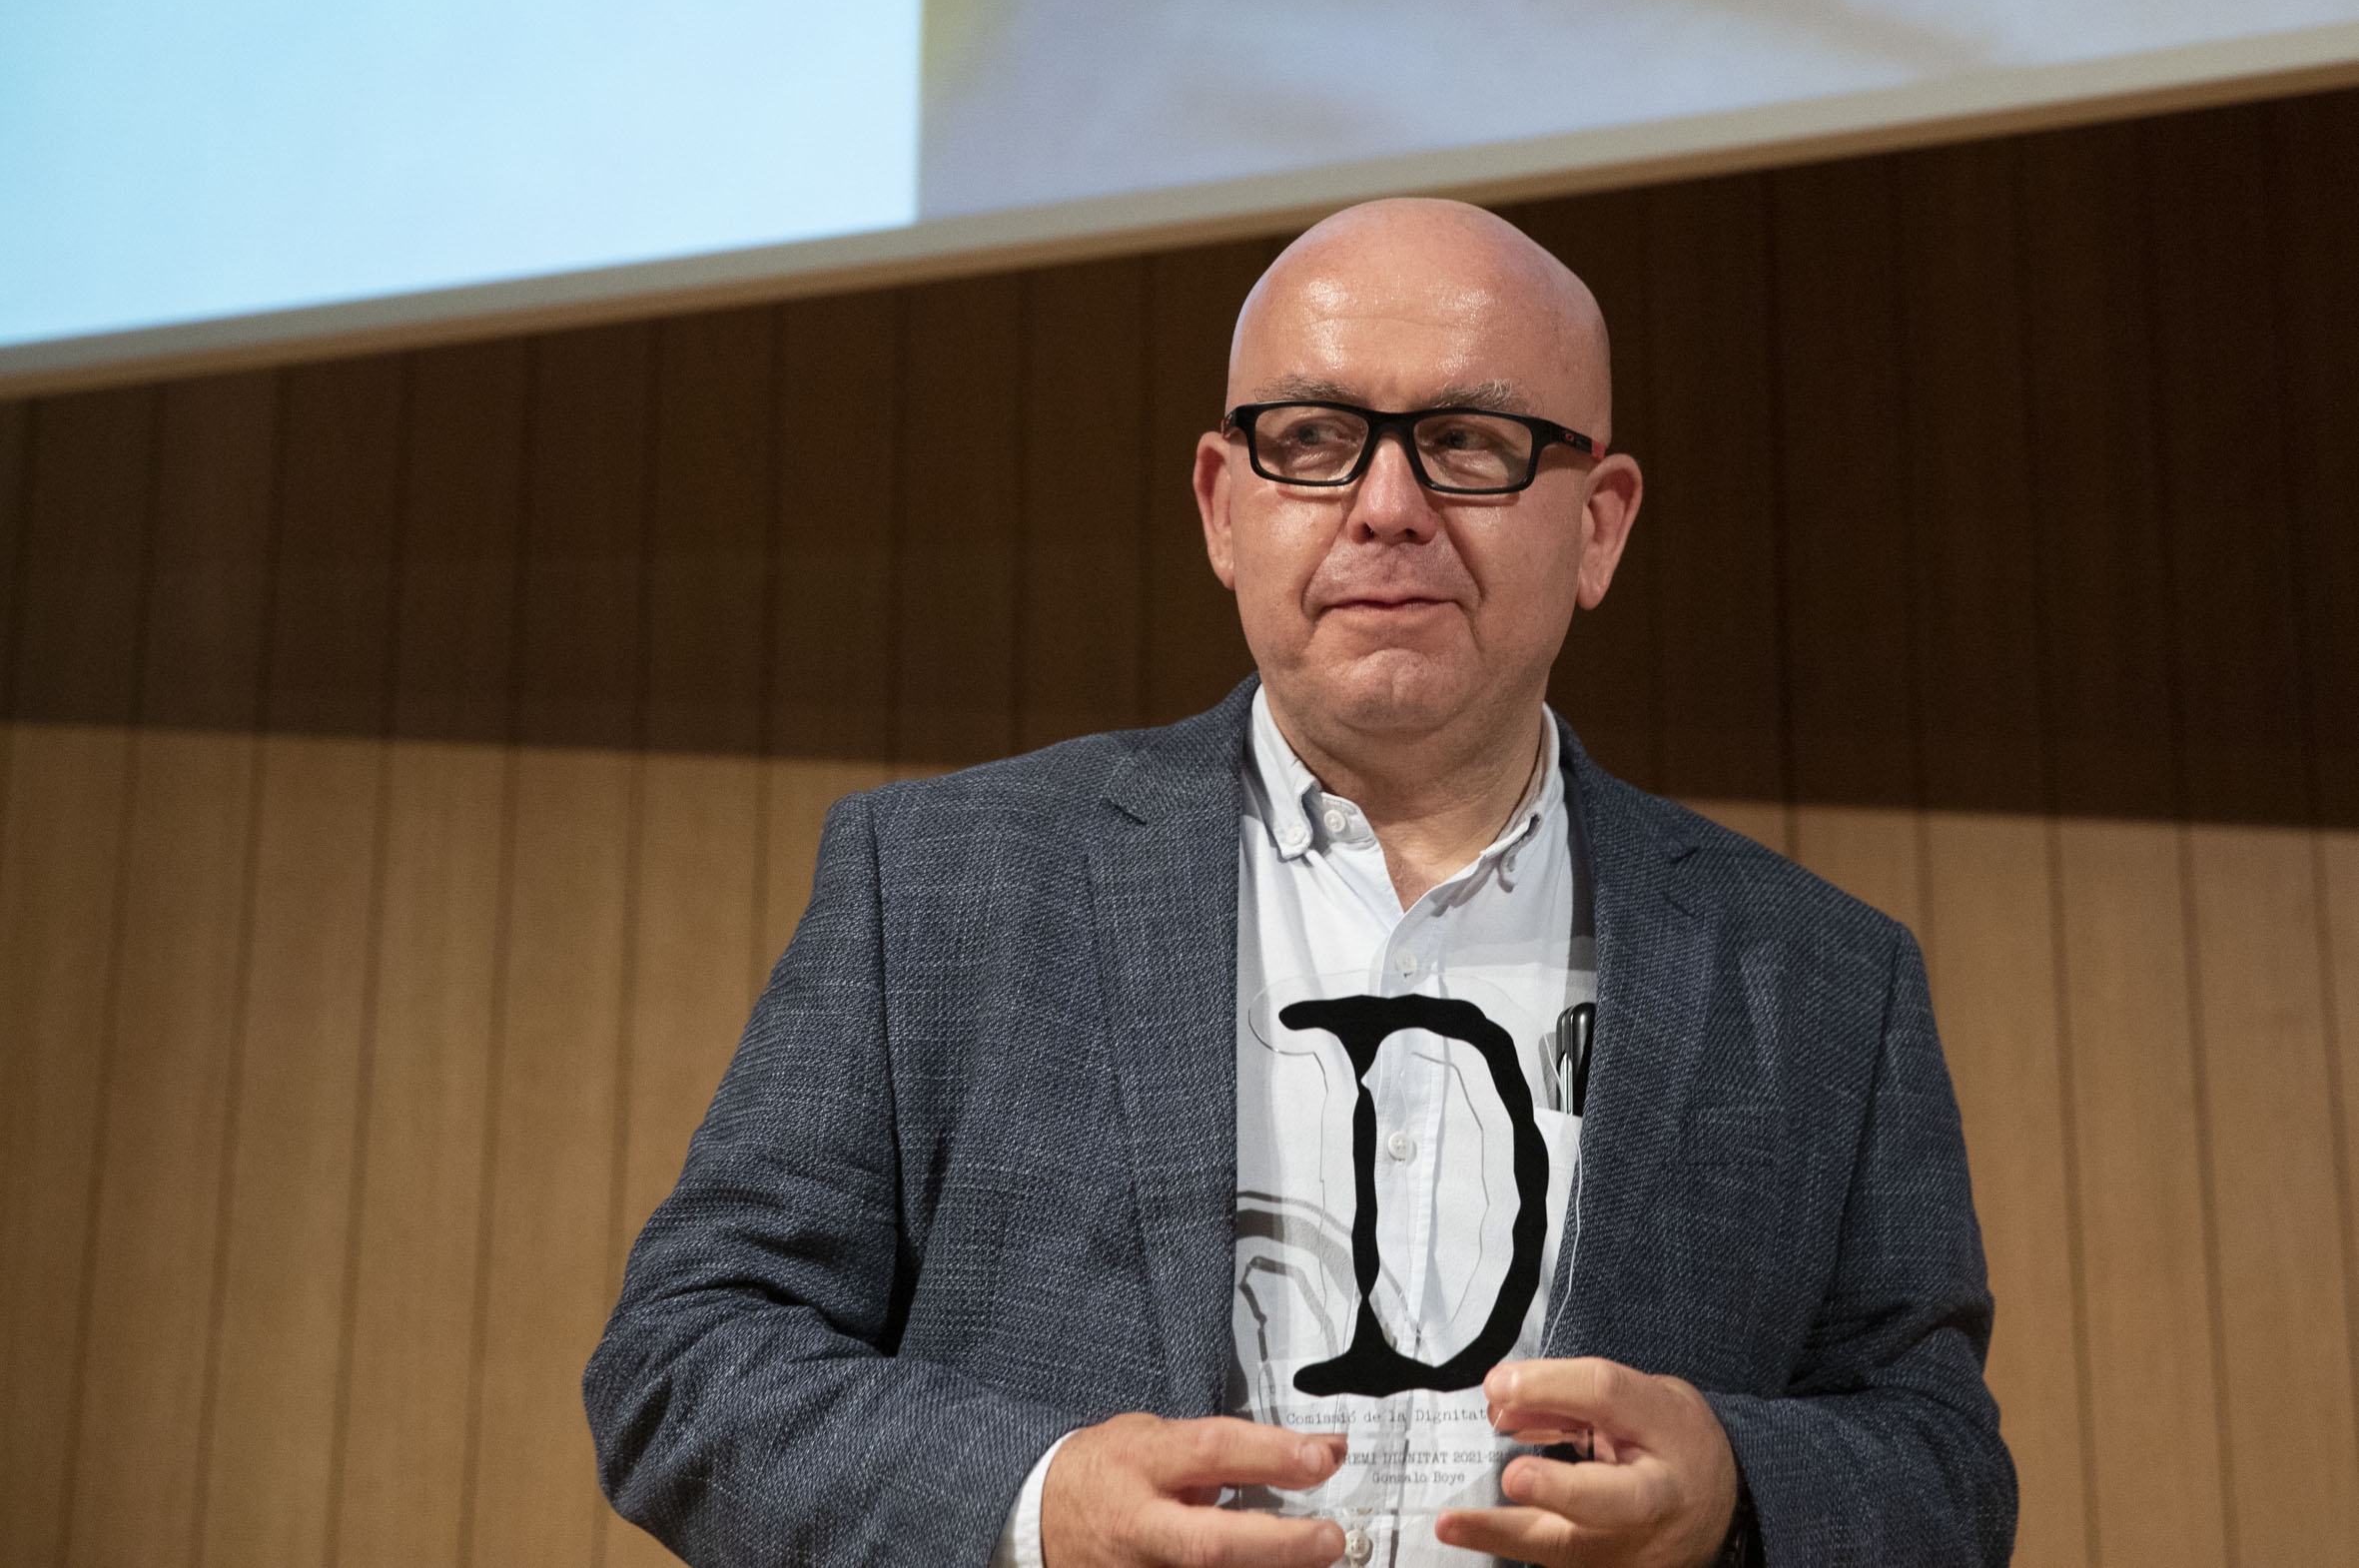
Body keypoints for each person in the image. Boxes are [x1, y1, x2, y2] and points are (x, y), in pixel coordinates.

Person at [584, 198, 2016, 1567]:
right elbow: (687, 1362)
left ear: (1598, 524)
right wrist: (1035, 1507)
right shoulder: (943, 883)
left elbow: (1939, 1465)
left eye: (1469, 440)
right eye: (1316, 438)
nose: (1385, 506)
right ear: (1223, 504)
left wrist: (1734, 1497)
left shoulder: (1824, 973)